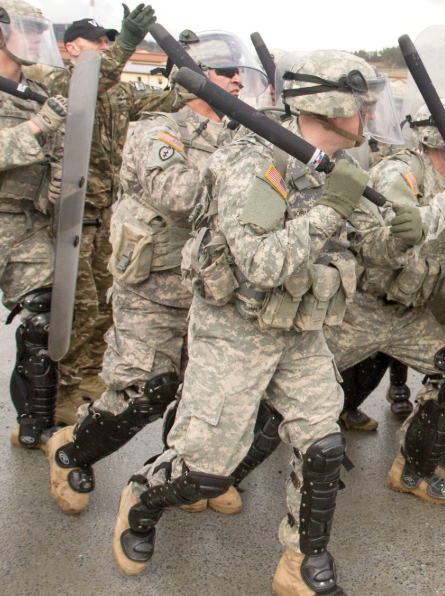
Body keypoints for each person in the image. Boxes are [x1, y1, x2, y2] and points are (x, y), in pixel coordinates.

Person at [110, 51, 387, 596]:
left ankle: (301, 561)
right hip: (235, 326)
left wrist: (400, 227)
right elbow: (261, 263)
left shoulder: (342, 163)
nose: (371, 118)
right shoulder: (253, 160)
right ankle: (143, 498)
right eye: (363, 107)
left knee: (323, 446)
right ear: (330, 108)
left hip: (299, 326)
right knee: (205, 472)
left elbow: (366, 244)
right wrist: (333, 207)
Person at [44, 31, 256, 516]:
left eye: (238, 72)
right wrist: (242, 170)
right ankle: (71, 450)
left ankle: (177, 470)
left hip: (210, 290)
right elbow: (179, 197)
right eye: (225, 73)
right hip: (152, 289)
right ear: (195, 81)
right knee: (144, 391)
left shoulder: (240, 137)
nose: (236, 80)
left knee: (201, 393)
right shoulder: (158, 131)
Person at [323, 97, 445, 510]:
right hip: (361, 307)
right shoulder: (400, 171)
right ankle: (212, 470)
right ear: (441, 139)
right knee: (291, 386)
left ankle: (414, 467)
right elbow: (402, 234)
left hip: (408, 313)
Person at [1, 0, 141, 449]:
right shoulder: (42, 106)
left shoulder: (40, 92)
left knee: (46, 318)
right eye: (28, 30)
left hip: (26, 224)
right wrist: (39, 127)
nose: (38, 40)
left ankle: (36, 424)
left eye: (40, 31)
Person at [46, 9, 173, 423]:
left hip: (106, 214)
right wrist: (129, 41)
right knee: (74, 309)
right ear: (72, 48)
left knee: (103, 305)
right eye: (98, 42)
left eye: (109, 42)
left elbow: (161, 101)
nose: (104, 48)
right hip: (69, 217)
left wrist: (195, 79)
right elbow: (94, 78)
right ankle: (59, 392)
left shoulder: (117, 93)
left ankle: (86, 378)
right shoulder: (61, 82)